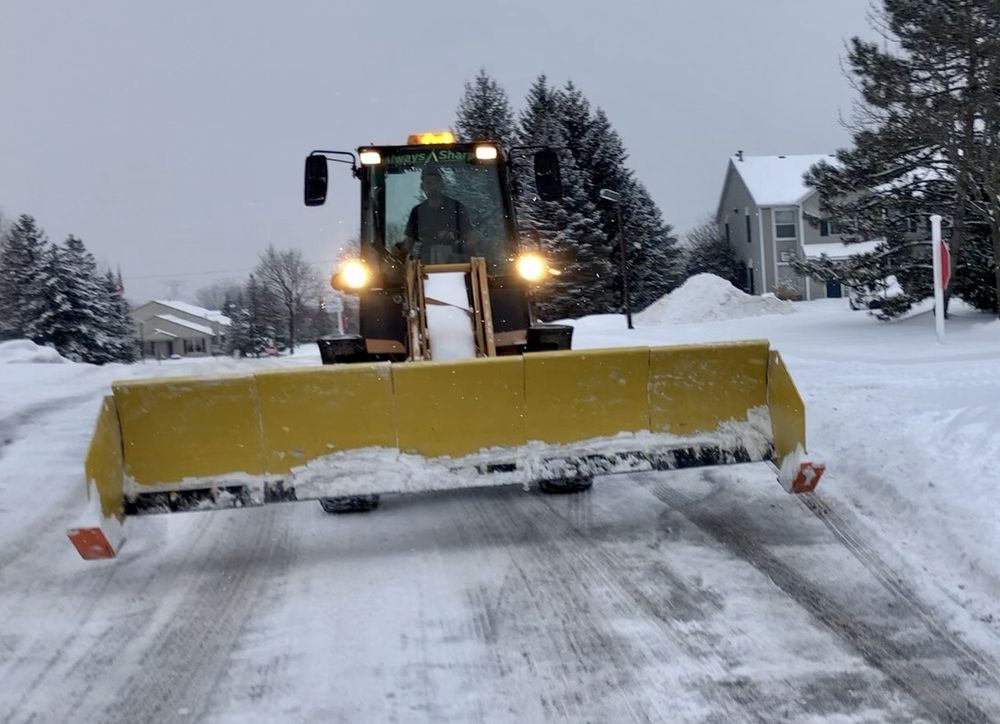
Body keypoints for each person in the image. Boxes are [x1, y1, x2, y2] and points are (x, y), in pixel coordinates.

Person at [394, 165, 475, 263]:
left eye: (436, 182)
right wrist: (399, 252)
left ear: (442, 185)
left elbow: (470, 237)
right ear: (422, 187)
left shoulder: (456, 207)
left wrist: (464, 243)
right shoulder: (417, 212)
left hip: (456, 261)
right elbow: (410, 241)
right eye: (428, 183)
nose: (432, 187)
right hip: (424, 264)